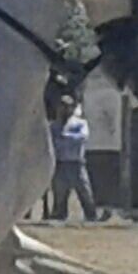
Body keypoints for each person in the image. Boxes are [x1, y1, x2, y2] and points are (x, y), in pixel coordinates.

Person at [46, 94, 105, 222]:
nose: (64, 110)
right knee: (59, 193)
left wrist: (64, 137)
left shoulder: (80, 123)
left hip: (76, 163)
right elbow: (51, 142)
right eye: (62, 106)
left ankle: (91, 215)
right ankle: (59, 214)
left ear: (72, 108)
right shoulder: (53, 126)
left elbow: (82, 137)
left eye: (67, 107)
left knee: (85, 191)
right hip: (60, 163)